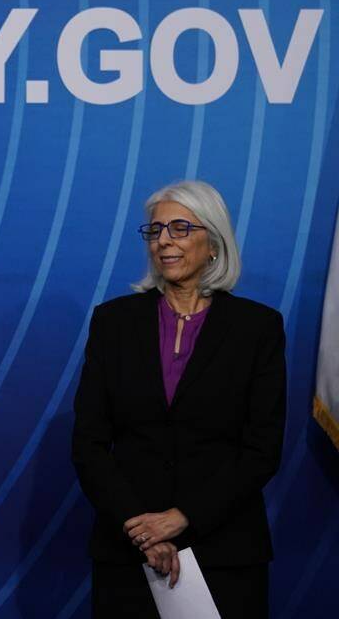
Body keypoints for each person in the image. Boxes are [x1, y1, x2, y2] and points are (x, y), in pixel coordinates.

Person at [72, 180, 286, 618]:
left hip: (224, 550)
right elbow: (89, 443)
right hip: (129, 552)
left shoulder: (257, 328)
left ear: (214, 243)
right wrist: (144, 529)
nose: (164, 240)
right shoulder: (113, 322)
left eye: (181, 228)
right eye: (155, 231)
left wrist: (182, 517)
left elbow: (261, 451)